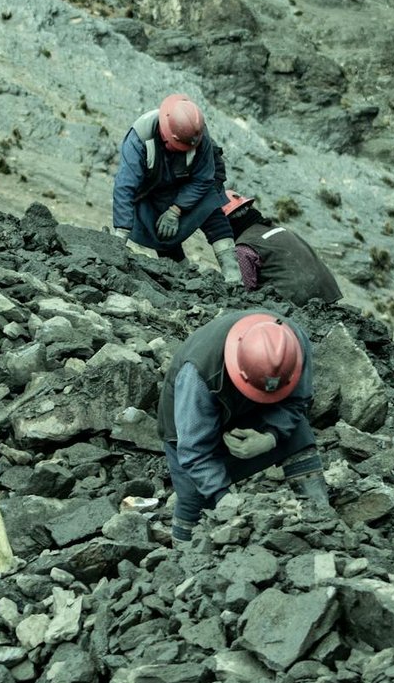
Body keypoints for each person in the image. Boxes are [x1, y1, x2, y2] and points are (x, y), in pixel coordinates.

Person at [158, 311, 331, 542]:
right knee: (194, 495)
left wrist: (270, 438)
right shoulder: (199, 374)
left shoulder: (293, 345)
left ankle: (322, 519)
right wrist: (226, 500)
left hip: (248, 410)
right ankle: (185, 557)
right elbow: (193, 451)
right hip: (188, 425)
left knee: (298, 436)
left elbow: (298, 400)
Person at [112, 94, 241, 283]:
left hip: (190, 185)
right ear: (165, 132)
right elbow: (125, 186)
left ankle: (234, 278)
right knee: (160, 230)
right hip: (153, 190)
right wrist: (119, 237)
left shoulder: (198, 136)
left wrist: (175, 210)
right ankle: (182, 278)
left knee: (212, 210)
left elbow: (204, 179)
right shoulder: (140, 138)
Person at [221, 191, 343, 306]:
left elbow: (244, 290)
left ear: (226, 222)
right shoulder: (278, 229)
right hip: (327, 291)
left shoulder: (244, 246)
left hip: (295, 303)